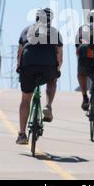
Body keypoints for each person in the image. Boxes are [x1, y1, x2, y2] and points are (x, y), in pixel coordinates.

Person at [16, 8, 63, 145]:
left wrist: (19, 67)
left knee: (26, 99)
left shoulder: (27, 30)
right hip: (48, 66)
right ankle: (48, 106)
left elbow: (20, 52)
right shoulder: (54, 32)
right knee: (52, 80)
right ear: (50, 19)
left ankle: (22, 134)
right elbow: (59, 54)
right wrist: (57, 69)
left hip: (28, 65)